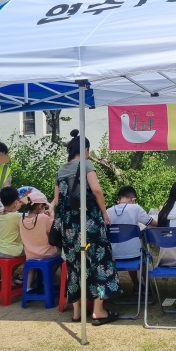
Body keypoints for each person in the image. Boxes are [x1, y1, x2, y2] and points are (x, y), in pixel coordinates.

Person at [53, 130, 121, 325]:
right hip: (89, 226)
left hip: (69, 229)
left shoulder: (61, 170)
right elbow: (97, 190)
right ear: (86, 150)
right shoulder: (86, 164)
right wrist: (105, 212)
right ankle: (98, 311)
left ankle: (76, 312)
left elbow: (57, 201)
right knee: (99, 263)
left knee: (75, 266)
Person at [107, 186, 155, 292]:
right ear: (133, 199)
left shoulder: (108, 211)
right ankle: (148, 285)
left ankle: (136, 285)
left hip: (114, 255)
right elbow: (152, 223)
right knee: (140, 255)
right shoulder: (135, 208)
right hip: (134, 254)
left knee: (131, 250)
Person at [19, 188, 60, 290]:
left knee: (31, 266)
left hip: (30, 255)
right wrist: (51, 216)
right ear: (41, 206)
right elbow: (54, 229)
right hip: (47, 253)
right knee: (61, 256)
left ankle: (27, 288)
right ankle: (48, 278)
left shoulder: (22, 219)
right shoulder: (43, 218)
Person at [0, 186, 24, 259]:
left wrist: (15, 207)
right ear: (15, 201)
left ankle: (9, 270)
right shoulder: (16, 216)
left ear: (1, 200)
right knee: (32, 252)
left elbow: (9, 214)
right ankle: (26, 271)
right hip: (11, 251)